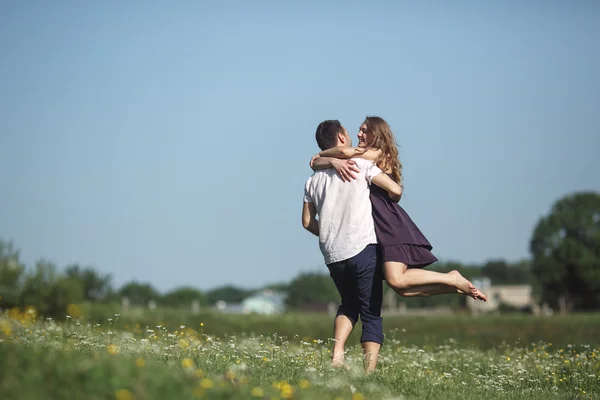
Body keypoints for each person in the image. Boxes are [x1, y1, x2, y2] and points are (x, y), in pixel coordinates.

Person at [310, 116, 487, 301]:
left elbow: (342, 154)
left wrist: (322, 157)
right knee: (402, 289)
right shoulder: (360, 155)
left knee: (396, 280)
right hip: (378, 226)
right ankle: (454, 286)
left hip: (388, 222)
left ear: (376, 134)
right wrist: (327, 160)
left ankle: (451, 278)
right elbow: (329, 159)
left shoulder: (377, 153)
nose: (358, 133)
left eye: (364, 130)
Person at [302, 119, 402, 373]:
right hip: (362, 247)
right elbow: (395, 189)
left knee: (348, 303)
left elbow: (306, 222)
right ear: (342, 138)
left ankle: (337, 354)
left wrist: (327, 232)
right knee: (371, 311)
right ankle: (369, 374)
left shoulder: (312, 180)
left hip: (332, 254)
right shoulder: (361, 164)